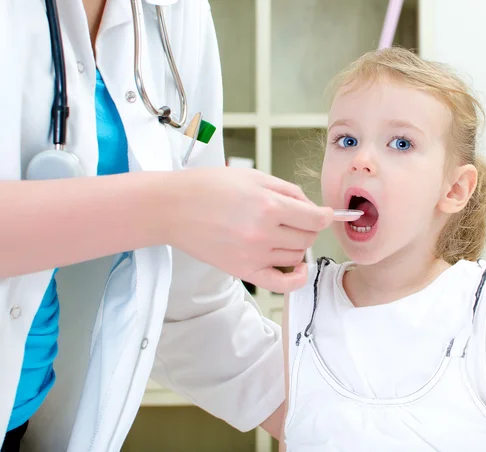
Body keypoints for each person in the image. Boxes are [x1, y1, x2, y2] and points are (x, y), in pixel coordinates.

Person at [0, 1, 333, 451]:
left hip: (23, 418)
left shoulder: (173, 11)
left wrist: (342, 412)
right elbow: (177, 213)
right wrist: (171, 210)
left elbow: (187, 301)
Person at [279, 47, 486, 451]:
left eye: (400, 143)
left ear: (454, 189)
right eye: (346, 139)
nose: (361, 160)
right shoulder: (303, 303)